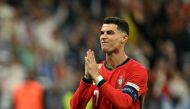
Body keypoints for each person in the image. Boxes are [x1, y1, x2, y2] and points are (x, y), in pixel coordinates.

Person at [70, 17, 148, 109]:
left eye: (110, 33)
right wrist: (87, 80)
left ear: (124, 38)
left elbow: (123, 103)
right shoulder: (97, 70)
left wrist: (97, 77)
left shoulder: (137, 70)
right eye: (102, 33)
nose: (103, 37)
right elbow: (75, 107)